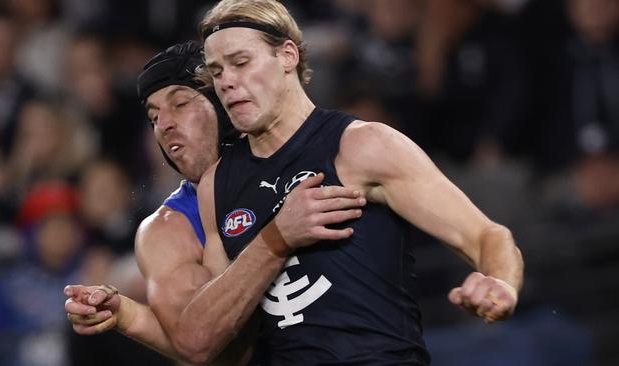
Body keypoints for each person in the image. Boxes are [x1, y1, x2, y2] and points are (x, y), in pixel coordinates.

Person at [168, 0, 525, 365]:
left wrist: (500, 283)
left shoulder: (363, 146)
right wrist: (276, 239)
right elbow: (200, 342)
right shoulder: (217, 185)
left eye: (241, 63)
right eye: (216, 71)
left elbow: (488, 236)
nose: (226, 81)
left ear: (288, 55)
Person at [64, 40, 363, 364]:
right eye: (153, 116)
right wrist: (277, 237)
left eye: (180, 104)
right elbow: (204, 346)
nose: (163, 125)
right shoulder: (165, 230)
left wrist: (132, 317)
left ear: (222, 105)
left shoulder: (312, 162)